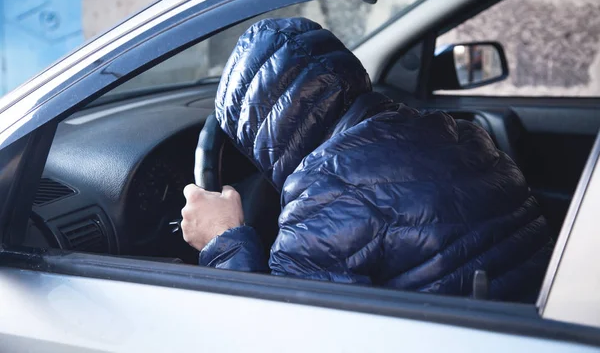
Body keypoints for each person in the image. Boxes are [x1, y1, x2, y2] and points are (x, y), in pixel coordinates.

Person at [181, 18, 553, 302]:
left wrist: (223, 239)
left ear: (260, 130)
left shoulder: (324, 202)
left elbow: (273, 334)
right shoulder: (459, 134)